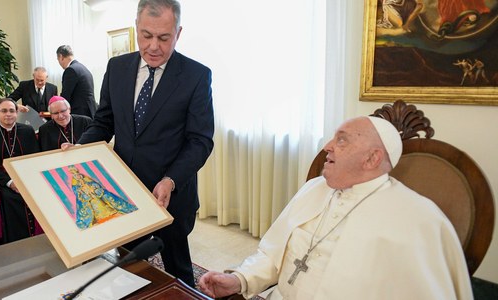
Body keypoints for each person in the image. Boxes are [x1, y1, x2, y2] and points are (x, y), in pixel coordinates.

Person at [198, 116, 473, 299]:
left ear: (372, 158)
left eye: (342, 139)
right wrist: (240, 280)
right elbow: (273, 254)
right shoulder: (314, 189)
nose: (328, 146)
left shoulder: (418, 220)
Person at [73, 0, 214, 287]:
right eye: (146, 35)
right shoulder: (117, 67)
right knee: (128, 266)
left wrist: (170, 181)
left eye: (163, 38)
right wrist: (78, 150)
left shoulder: (196, 76)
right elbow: (104, 122)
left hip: (171, 195)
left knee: (178, 273)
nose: (153, 46)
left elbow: (200, 141)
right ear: (136, 27)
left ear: (178, 33)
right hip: (124, 193)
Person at [0, 98, 41, 243]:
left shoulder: (27, 130)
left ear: (17, 112)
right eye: (4, 111)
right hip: (1, 180)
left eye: (12, 111)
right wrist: (10, 182)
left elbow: (34, 158)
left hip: (26, 176)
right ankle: (16, 240)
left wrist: (27, 179)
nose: (8, 114)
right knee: (10, 198)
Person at [56, 45, 97, 118]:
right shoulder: (82, 68)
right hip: (90, 111)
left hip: (79, 113)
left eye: (58, 59)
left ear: (61, 57)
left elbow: (66, 96)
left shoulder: (70, 70)